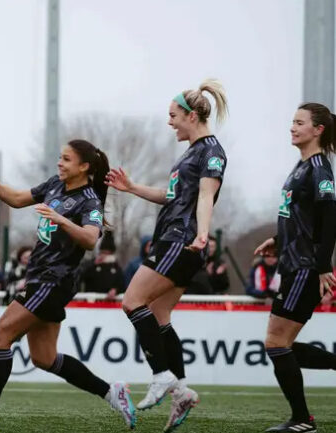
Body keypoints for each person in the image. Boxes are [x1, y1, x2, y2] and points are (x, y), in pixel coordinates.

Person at [0, 140, 135, 430]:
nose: (60, 163)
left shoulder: (89, 200)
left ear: (84, 166)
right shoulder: (55, 184)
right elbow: (16, 199)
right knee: (44, 358)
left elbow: (91, 239)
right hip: (40, 278)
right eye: (60, 157)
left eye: (66, 159)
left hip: (53, 281)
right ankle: (110, 392)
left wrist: (61, 220)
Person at [105, 79, 228, 432]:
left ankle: (162, 375)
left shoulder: (211, 151)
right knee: (159, 314)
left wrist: (203, 233)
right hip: (176, 240)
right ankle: (181, 391)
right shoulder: (190, 152)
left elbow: (206, 197)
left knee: (132, 302)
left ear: (191, 115)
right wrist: (130, 188)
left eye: (173, 115)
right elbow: (171, 196)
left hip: (181, 241)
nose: (170, 122)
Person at [253, 103, 336, 433]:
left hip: (305, 267)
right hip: (292, 262)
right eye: (292, 121)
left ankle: (302, 420)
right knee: (277, 345)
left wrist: (322, 267)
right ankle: (302, 417)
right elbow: (305, 218)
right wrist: (278, 238)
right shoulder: (300, 166)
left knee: (276, 343)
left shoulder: (319, 167)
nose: (292, 127)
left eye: (299, 123)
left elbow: (330, 219)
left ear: (318, 130)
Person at [79, 231, 125, 299]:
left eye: (108, 253)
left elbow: (122, 285)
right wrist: (93, 264)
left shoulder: (116, 267)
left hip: (109, 303)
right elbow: (80, 276)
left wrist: (116, 290)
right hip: (91, 302)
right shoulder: (92, 264)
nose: (104, 255)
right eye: (103, 252)